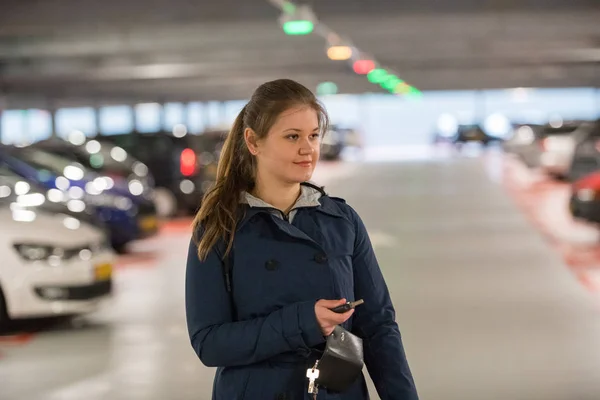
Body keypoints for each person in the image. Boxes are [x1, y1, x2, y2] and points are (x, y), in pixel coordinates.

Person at [185, 79, 419, 400]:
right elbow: (209, 343)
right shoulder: (219, 227)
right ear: (253, 141)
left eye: (313, 136)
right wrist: (303, 321)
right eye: (292, 137)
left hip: (336, 391)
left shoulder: (341, 220)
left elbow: (378, 327)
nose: (307, 148)